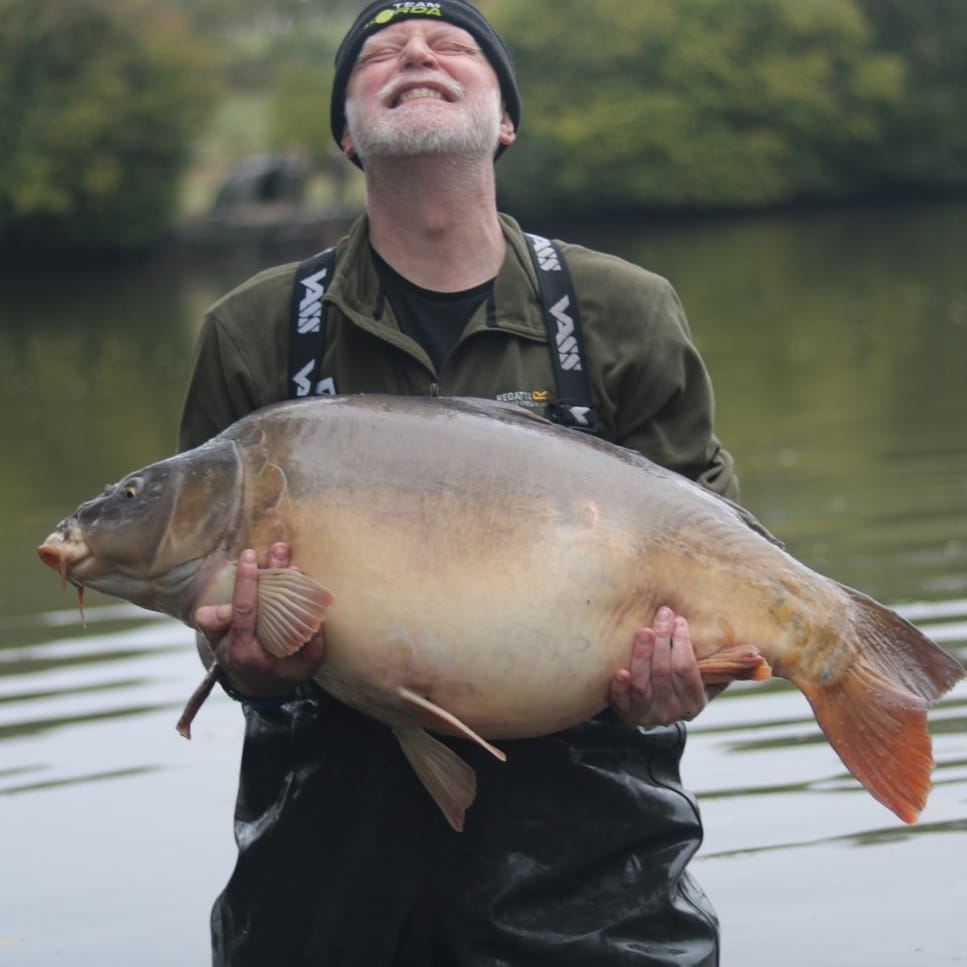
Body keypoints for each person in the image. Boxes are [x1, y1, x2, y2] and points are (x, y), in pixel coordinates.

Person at [180, 2, 738, 964]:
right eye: (379, 53)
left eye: (451, 46)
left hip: (593, 857)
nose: (416, 55)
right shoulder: (251, 330)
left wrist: (683, 679)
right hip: (326, 863)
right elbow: (215, 608)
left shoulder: (623, 311)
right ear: (347, 134)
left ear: (505, 117)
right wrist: (243, 665)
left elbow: (719, 557)